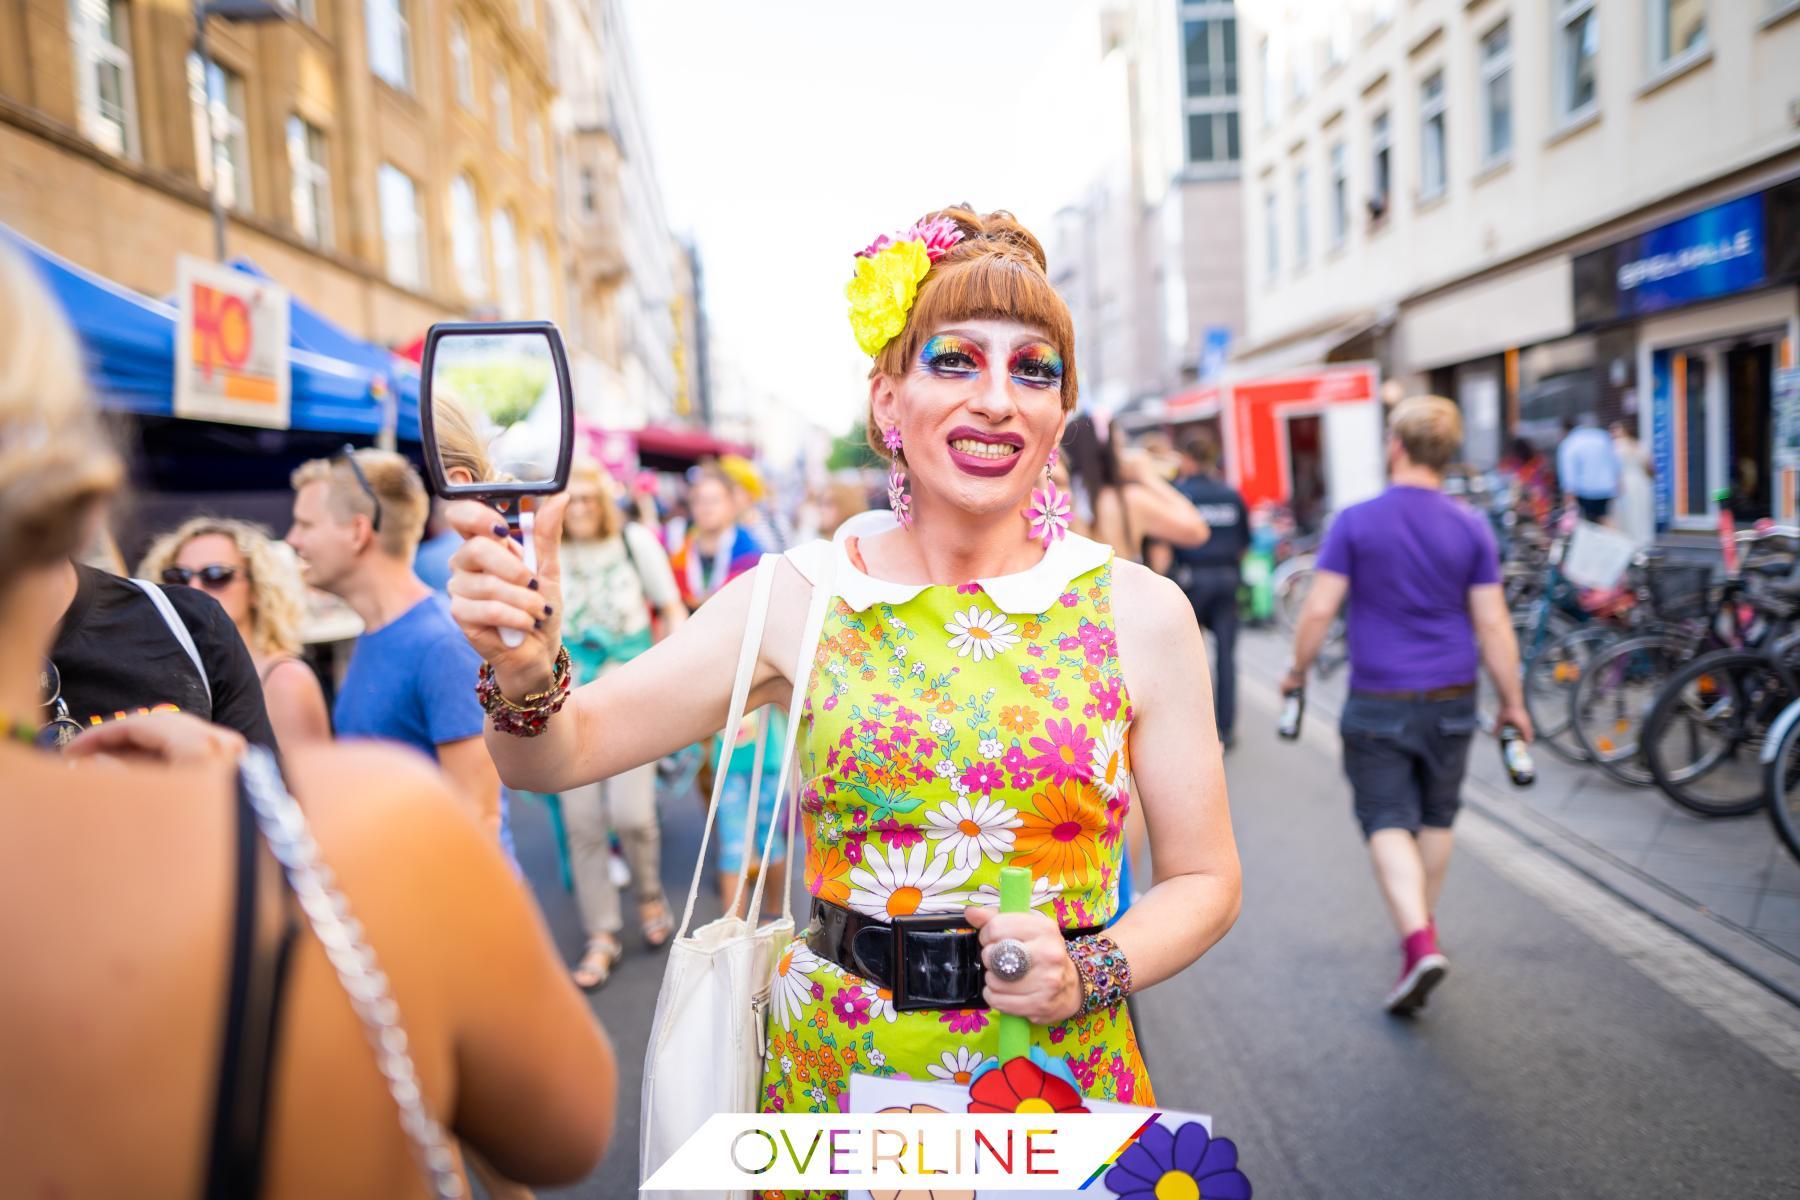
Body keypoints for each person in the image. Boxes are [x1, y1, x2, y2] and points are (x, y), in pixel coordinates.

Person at [444, 207, 1242, 1145]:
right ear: (886, 400)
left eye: (1034, 369)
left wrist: (1092, 969)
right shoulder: (799, 595)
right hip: (837, 1080)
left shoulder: (1139, 611)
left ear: (1059, 414)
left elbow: (1203, 877)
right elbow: (553, 759)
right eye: (955, 359)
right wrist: (524, 668)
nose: (997, 397)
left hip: (1059, 1079)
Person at [0, 242, 616, 1197]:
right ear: (67, 472)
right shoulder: (365, 829)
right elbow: (572, 1128)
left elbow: (495, 789)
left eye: (299, 530)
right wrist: (257, 813)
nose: (288, 544)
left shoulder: (403, 665)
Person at [1283, 395, 1530, 1016]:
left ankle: (1419, 940)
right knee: (1439, 817)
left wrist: (1296, 672)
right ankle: (1419, 939)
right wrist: (1514, 703)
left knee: (1387, 817)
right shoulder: (1472, 526)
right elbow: (1494, 624)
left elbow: (1318, 608)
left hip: (1379, 698)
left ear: (1396, 445)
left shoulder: (1356, 521)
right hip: (1453, 696)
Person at [285, 449, 504, 850]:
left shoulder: (441, 644)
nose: (292, 539)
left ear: (357, 531)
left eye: (305, 524)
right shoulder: (378, 633)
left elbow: (478, 823)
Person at [557, 457, 687, 988]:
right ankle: (602, 933)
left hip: (630, 693)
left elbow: (671, 607)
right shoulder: (547, 552)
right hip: (566, 697)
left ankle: (650, 892)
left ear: (605, 503)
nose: (583, 510)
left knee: (632, 815)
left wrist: (667, 669)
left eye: (591, 500)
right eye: (574, 501)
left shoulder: (635, 541)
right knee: (582, 821)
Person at [138, 517, 331, 748]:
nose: (194, 590)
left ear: (257, 589)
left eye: (217, 575)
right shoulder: (172, 675)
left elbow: (308, 780)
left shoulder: (285, 680)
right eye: (178, 577)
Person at [1170, 430, 1250, 750]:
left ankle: (1197, 728)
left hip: (1192, 580)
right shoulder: (1230, 494)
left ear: (1188, 459)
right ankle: (1227, 728)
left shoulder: (1181, 494)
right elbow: (1245, 541)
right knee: (1227, 657)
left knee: (1191, 657)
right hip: (1228, 578)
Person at [1059, 413, 1212, 563]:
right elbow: (1198, 531)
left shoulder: (1060, 502)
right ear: (1111, 453)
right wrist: (1148, 478)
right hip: (1120, 588)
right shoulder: (1130, 500)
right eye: (1120, 446)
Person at [667, 465, 764, 608]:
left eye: (714, 501)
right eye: (700, 500)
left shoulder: (750, 554)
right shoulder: (677, 546)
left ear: (731, 504)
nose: (707, 508)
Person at [1556, 415, 1621, 523]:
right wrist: (1618, 480)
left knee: (1590, 524)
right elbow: (1616, 461)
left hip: (1586, 490)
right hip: (1607, 487)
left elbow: (1569, 474)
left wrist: (1569, 499)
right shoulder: (1601, 436)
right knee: (1604, 519)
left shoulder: (1569, 443)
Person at [1610, 420, 1656, 546]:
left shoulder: (1615, 446)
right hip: (1641, 482)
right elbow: (1651, 469)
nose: (1612, 432)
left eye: (1615, 429)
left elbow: (1613, 469)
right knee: (1642, 513)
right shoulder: (1641, 445)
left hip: (1625, 483)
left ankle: (1628, 544)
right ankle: (1643, 542)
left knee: (1627, 514)